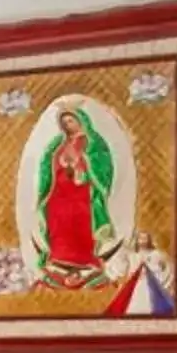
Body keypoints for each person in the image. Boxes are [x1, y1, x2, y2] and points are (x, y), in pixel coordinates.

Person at [35, 104, 115, 284]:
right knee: (57, 220)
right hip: (59, 192)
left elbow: (101, 164)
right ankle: (59, 257)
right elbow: (47, 165)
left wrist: (82, 163)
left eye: (71, 120)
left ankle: (84, 260)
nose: (68, 125)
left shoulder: (93, 141)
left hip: (81, 191)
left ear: (81, 120)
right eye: (64, 122)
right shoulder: (57, 143)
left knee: (79, 221)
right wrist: (60, 165)